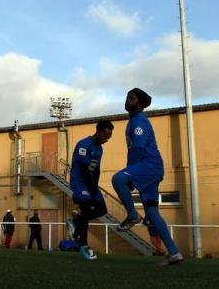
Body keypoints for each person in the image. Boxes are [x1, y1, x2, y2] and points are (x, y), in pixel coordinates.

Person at [111, 88, 183, 265]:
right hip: (150, 170)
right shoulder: (133, 121)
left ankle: (133, 215)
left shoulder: (139, 122)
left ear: (140, 104)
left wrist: (130, 177)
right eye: (127, 96)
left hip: (149, 165)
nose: (128, 100)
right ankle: (174, 253)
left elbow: (138, 150)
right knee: (152, 213)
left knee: (118, 179)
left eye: (132, 98)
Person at [68, 120, 114, 260]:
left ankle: (77, 221)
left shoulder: (100, 149)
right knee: (87, 208)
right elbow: (83, 168)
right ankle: (84, 246)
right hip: (80, 182)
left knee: (102, 210)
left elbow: (97, 170)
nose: (106, 140)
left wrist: (95, 187)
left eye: (109, 138)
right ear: (99, 131)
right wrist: (91, 188)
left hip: (91, 184)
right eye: (105, 136)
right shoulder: (84, 144)